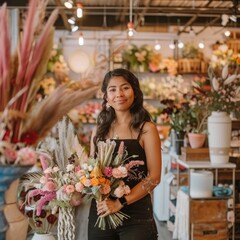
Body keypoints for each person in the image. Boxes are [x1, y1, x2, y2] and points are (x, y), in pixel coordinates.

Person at [88, 68, 162, 240]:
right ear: (106, 96)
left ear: (135, 92)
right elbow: (92, 172)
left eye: (125, 87)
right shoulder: (98, 131)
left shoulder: (146, 129)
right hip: (101, 212)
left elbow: (154, 177)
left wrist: (119, 203)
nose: (119, 94)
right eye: (112, 89)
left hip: (136, 216)